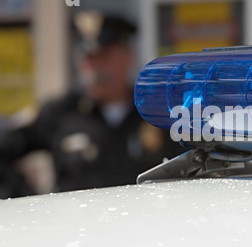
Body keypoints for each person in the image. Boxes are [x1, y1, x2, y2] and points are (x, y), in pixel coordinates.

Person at [0, 12, 184, 197]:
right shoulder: (62, 112)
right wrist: (30, 202)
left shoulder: (160, 113)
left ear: (128, 57)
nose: (94, 70)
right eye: (87, 58)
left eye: (104, 57)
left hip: (144, 224)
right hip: (77, 226)